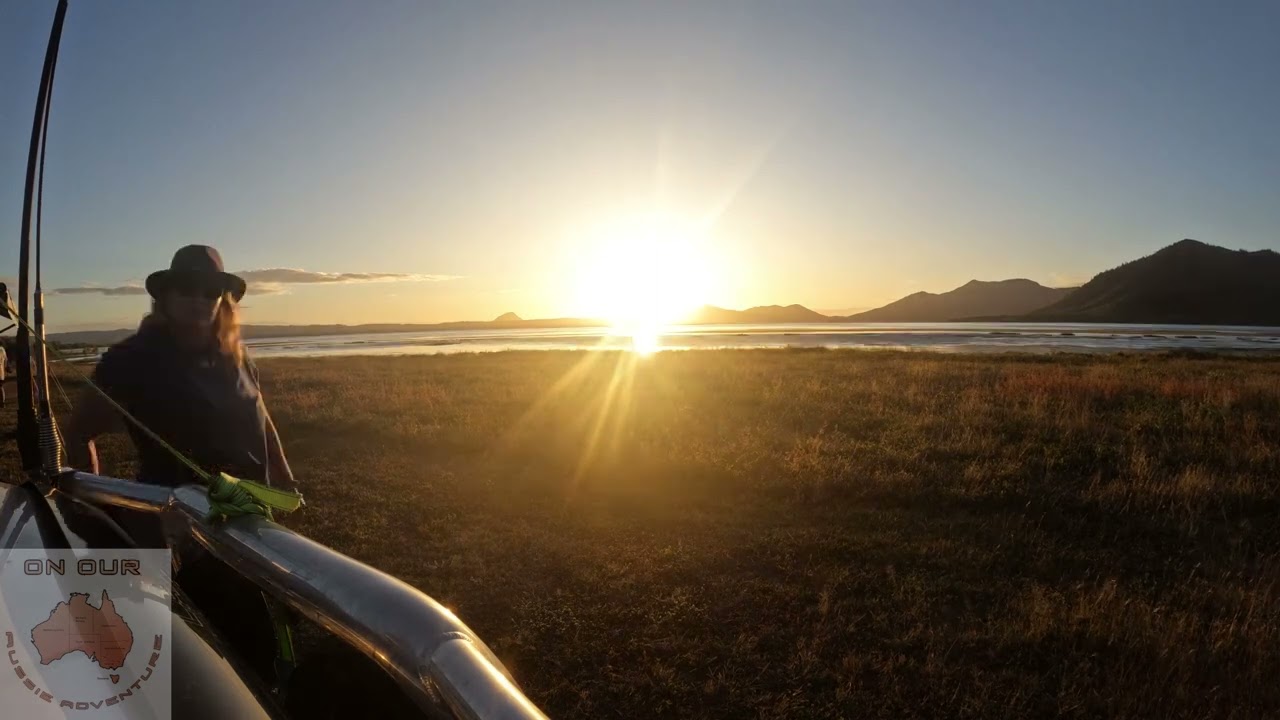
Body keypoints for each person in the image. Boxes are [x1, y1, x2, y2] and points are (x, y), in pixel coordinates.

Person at [64, 244, 297, 684]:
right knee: (190, 660)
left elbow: (262, 418)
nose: (198, 297)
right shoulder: (130, 359)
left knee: (255, 652)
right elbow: (79, 432)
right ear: (165, 297)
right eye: (186, 287)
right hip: (177, 533)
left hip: (247, 524)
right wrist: (101, 509)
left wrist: (283, 478)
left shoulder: (237, 356)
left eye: (209, 289)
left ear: (222, 298)